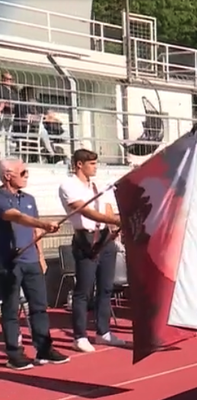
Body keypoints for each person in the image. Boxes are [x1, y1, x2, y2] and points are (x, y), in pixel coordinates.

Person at [0, 157, 67, 369]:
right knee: (11, 309)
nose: (27, 176)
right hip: (8, 263)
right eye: (23, 173)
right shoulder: (0, 197)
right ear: (8, 175)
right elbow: (15, 216)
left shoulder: (29, 198)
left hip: (31, 262)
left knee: (39, 307)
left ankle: (44, 349)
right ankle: (15, 353)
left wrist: (40, 257)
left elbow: (34, 231)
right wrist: (43, 223)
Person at [58, 149, 127, 352]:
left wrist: (114, 227)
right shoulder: (68, 185)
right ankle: (79, 336)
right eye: (92, 164)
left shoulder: (98, 185)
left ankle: (103, 332)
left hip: (105, 238)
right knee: (84, 291)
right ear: (79, 164)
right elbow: (84, 210)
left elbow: (106, 209)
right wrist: (115, 220)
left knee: (106, 288)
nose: (96, 167)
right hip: (86, 239)